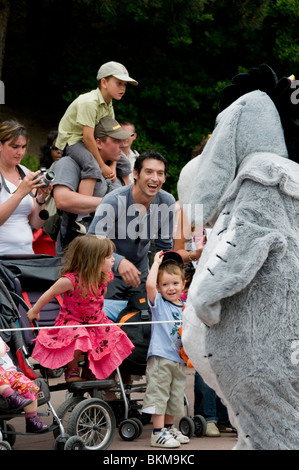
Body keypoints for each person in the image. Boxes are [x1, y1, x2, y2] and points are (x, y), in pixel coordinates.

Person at [27, 235, 135, 383]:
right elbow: (50, 293)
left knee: (116, 334)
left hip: (95, 321)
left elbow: (99, 297)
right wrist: (35, 310)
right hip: (72, 323)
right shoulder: (70, 280)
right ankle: (72, 369)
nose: (113, 259)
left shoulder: (103, 277)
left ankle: (91, 367)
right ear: (94, 260)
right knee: (79, 335)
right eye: (108, 256)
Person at [88, 149, 176, 321]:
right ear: (135, 174)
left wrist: (164, 279)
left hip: (141, 274)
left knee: (142, 325)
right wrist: (119, 262)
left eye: (160, 173)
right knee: (105, 323)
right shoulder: (113, 200)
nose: (154, 178)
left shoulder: (167, 201)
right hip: (107, 274)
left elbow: (164, 247)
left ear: (164, 178)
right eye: (148, 172)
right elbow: (92, 242)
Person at [56, 61, 138, 198]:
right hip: (73, 141)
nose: (123, 88)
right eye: (119, 83)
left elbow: (113, 134)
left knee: (124, 161)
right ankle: (83, 213)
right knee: (92, 166)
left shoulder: (108, 104)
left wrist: (113, 165)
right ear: (104, 82)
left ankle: (129, 195)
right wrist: (102, 165)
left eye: (125, 85)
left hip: (91, 140)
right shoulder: (89, 102)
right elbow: (87, 138)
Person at [53, 117, 134, 255]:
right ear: (98, 143)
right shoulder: (69, 163)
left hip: (112, 253)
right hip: (77, 253)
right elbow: (62, 200)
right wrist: (112, 202)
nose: (122, 145)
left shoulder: (117, 167)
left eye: (122, 140)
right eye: (116, 141)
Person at [142, 250, 189, 448]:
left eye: (175, 283)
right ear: (159, 288)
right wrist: (155, 263)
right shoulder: (159, 304)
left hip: (178, 359)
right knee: (159, 394)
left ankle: (169, 428)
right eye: (165, 285)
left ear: (183, 284)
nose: (171, 288)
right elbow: (149, 285)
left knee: (175, 396)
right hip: (161, 357)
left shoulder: (185, 305)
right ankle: (157, 433)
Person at [0, 120, 53, 255]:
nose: (20, 152)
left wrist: (41, 199)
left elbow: (35, 224)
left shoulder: (26, 173)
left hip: (26, 254)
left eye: (23, 147)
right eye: (15, 147)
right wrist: (20, 193)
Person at [0, 336, 47, 433]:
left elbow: (2, 349)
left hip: (10, 373)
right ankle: (13, 397)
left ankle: (32, 419)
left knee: (30, 387)